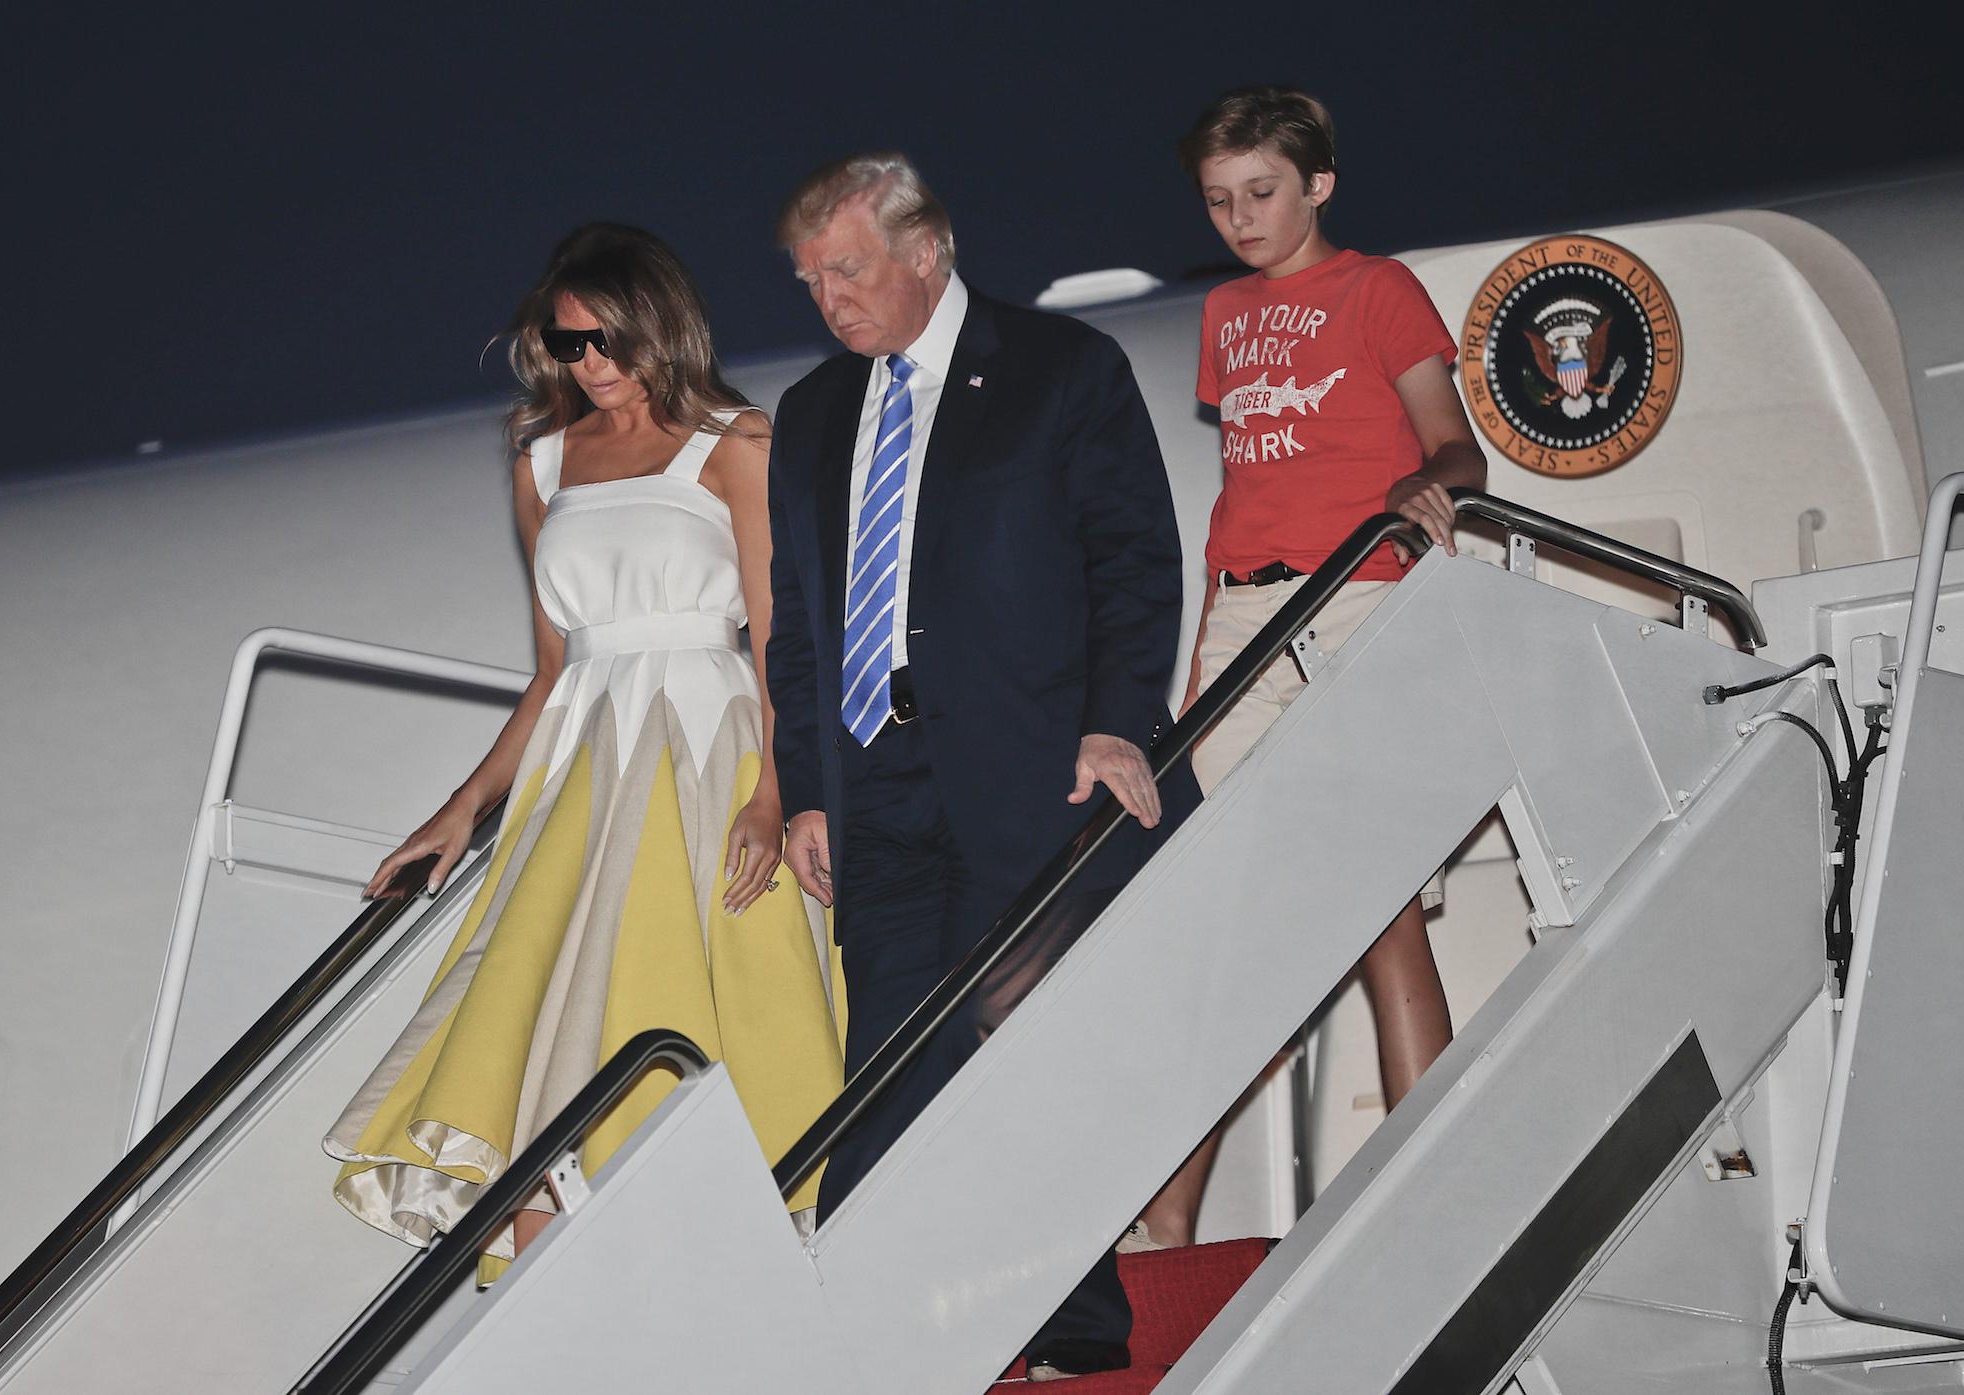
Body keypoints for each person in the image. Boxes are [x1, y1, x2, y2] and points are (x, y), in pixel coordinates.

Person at [323, 223, 843, 1278]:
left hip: (712, 749)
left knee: (716, 1006)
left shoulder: (737, 443)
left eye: (608, 339)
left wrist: (775, 794)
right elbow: (552, 670)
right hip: (584, 763)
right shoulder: (541, 459)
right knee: (548, 1024)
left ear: (661, 327)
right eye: (568, 345)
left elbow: (780, 640)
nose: (592, 364)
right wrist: (460, 810)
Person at [763, 151, 1193, 1382]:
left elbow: (1131, 558)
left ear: (925, 250)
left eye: (845, 270)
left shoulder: (1062, 370)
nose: (829, 301)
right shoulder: (810, 413)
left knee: (1004, 1033)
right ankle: (990, 1321)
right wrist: (805, 785)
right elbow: (799, 625)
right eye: (809, 282)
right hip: (872, 783)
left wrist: (1119, 719)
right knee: (889, 1057)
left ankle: (886, 1321)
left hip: (1031, 766)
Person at [1132, 86, 1486, 1250]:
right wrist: (1198, 664)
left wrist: (1422, 486)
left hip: (1359, 589)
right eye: (1218, 199)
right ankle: (1164, 1227)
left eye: (1261, 193)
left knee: (1378, 900)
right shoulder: (1224, 313)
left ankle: (1428, 1173)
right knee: (1237, 920)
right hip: (1243, 610)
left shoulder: (1375, 288)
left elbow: (1451, 437)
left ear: (1317, 184)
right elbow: (1243, 484)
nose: (1239, 218)